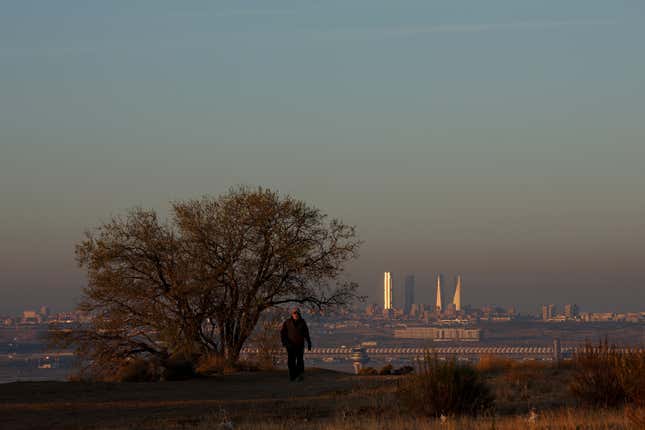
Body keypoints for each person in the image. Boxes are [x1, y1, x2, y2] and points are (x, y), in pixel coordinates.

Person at [280, 307, 312, 381]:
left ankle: (299, 375)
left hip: (300, 345)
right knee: (291, 361)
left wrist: (309, 343)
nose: (296, 314)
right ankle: (292, 375)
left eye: (297, 313)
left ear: (299, 314)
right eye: (294, 313)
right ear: (292, 314)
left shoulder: (302, 322)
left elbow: (306, 333)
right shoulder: (287, 322)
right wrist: (285, 342)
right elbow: (283, 334)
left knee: (300, 360)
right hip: (290, 345)